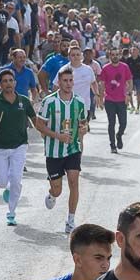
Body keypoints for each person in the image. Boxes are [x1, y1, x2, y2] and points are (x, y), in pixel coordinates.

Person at [0, 69, 38, 226]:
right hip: (0, 147)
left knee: (16, 180)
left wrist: (47, 133)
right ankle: (6, 189)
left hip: (20, 145)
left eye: (10, 80)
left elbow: (35, 119)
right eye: (4, 81)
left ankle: (11, 212)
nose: (8, 84)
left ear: (15, 83)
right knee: (2, 182)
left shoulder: (24, 101)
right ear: (0, 85)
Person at [39, 68, 87, 234]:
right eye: (65, 81)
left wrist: (83, 130)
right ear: (59, 82)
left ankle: (71, 220)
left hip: (73, 148)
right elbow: (39, 125)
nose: (68, 84)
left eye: (70, 80)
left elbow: (83, 123)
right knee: (58, 190)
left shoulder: (79, 101)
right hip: (54, 152)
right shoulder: (49, 101)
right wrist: (57, 136)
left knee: (74, 182)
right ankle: (52, 194)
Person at [100, 47, 132, 153]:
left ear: (119, 55)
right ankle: (112, 145)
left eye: (116, 54)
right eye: (112, 54)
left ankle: (119, 135)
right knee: (111, 123)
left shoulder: (125, 67)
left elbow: (129, 81)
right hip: (109, 99)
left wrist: (128, 94)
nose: (115, 56)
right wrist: (100, 98)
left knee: (123, 123)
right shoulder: (105, 68)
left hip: (122, 100)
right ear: (109, 56)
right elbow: (102, 84)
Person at [125, 45, 140, 113]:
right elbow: (126, 70)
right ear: (130, 51)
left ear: (138, 51)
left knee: (138, 93)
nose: (133, 51)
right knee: (129, 93)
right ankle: (132, 106)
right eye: (132, 50)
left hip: (139, 78)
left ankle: (138, 108)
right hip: (130, 79)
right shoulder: (128, 60)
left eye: (135, 50)